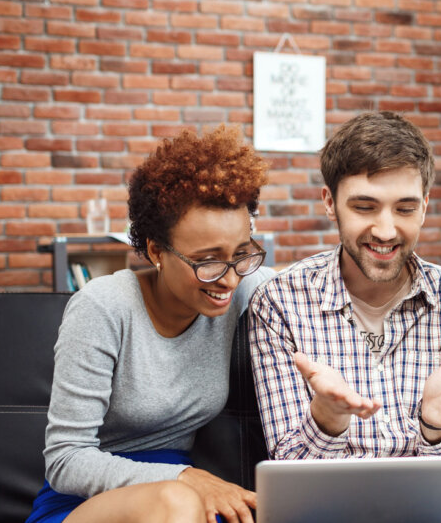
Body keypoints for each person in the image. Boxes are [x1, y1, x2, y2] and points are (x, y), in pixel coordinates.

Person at [26, 126, 274, 523]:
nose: (228, 279)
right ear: (156, 251)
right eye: (208, 261)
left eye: (241, 254)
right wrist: (185, 479)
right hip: (90, 501)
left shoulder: (243, 287)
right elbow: (66, 459)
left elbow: (316, 287)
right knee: (176, 504)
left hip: (188, 497)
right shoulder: (103, 308)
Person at [249, 111, 441, 459]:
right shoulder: (280, 302)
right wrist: (327, 420)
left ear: (425, 207)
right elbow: (291, 469)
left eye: (405, 209)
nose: (385, 231)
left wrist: (434, 428)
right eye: (365, 207)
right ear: (330, 203)